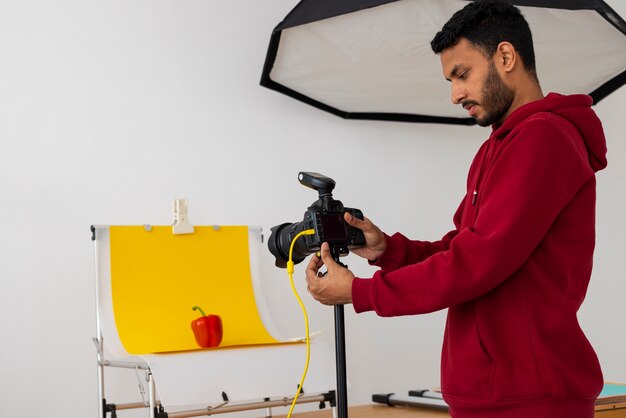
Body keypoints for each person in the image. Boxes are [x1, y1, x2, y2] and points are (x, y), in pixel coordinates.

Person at [304, 1, 607, 417]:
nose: (455, 94)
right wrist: (387, 250)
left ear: (505, 56)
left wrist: (360, 293)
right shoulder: (498, 148)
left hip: (530, 398)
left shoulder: (545, 139)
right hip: (493, 395)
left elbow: (477, 262)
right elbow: (464, 246)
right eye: (450, 80)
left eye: (462, 75)